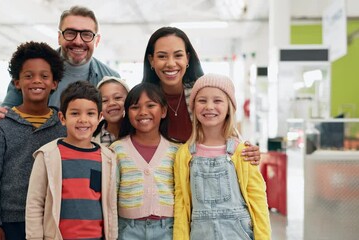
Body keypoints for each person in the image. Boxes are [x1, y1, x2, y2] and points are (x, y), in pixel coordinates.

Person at [0, 41, 66, 240]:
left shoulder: (63, 126)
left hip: (53, 219)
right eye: (29, 76)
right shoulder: (1, 126)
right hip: (12, 222)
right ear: (17, 82)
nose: (37, 81)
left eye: (44, 76)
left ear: (54, 83)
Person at [142, 26, 261, 164]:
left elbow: (229, 136)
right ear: (151, 60)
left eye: (178, 55)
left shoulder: (203, 95)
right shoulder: (142, 101)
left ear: (187, 58)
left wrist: (249, 153)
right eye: (162, 56)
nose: (170, 63)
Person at [0, 5, 119, 128]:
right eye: (70, 33)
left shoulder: (111, 79)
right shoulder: (32, 71)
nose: (78, 41)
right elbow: (6, 116)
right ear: (59, 37)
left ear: (97, 40)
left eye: (86, 35)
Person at [173, 74, 271, 239]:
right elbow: (181, 205)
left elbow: (258, 200)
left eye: (217, 101)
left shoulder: (242, 151)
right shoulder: (184, 154)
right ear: (193, 106)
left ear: (229, 108)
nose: (209, 106)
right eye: (202, 101)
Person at [26, 81, 118, 240]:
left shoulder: (107, 157)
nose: (83, 120)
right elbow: (34, 204)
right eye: (75, 113)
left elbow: (111, 205)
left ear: (99, 117)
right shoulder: (47, 155)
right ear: (62, 117)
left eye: (90, 114)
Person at [110, 82, 179, 240]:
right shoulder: (117, 150)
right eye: (135, 107)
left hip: (168, 229)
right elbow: (111, 196)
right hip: (127, 229)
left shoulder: (177, 150)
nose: (143, 112)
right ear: (127, 112)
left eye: (150, 105)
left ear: (163, 111)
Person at [93, 76, 130, 146]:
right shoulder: (91, 139)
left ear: (128, 99)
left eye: (117, 98)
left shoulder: (139, 133)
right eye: (104, 100)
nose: (111, 103)